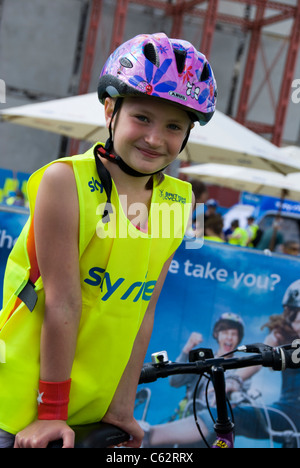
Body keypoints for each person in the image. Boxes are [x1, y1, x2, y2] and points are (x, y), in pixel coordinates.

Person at [0, 32, 217, 448]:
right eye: (142, 117)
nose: (155, 138)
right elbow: (63, 302)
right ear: (110, 110)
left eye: (174, 126)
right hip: (25, 403)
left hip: (94, 406)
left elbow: (144, 310)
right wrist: (49, 413)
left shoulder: (182, 198)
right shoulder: (65, 180)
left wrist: (122, 408)